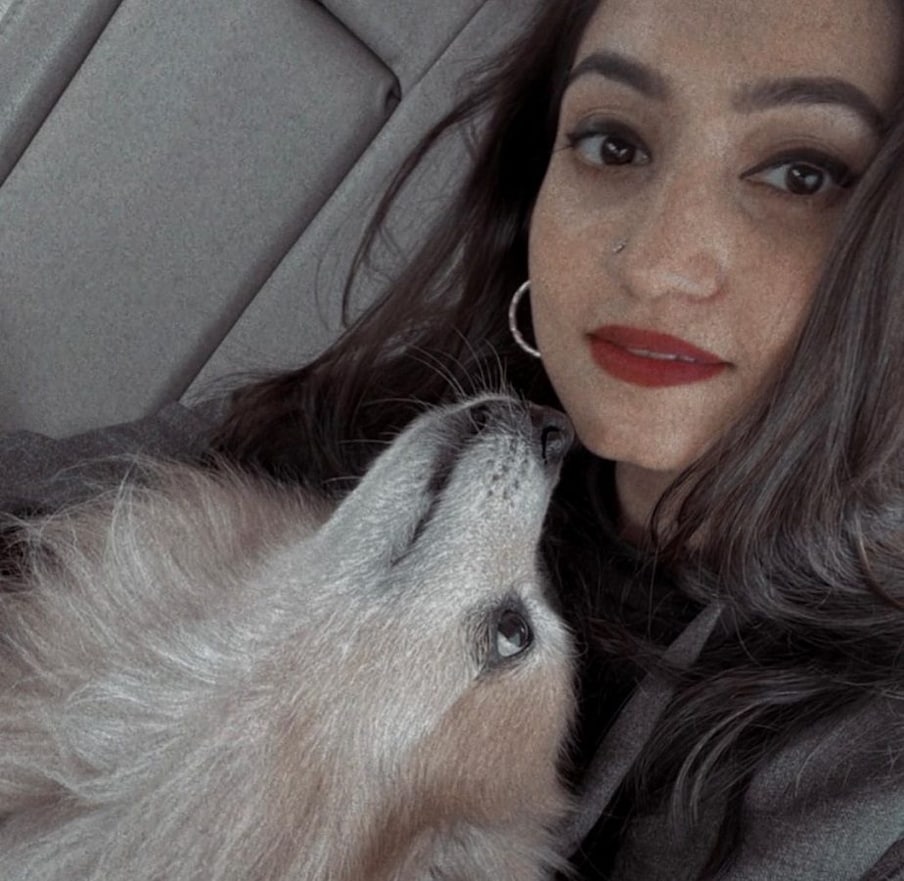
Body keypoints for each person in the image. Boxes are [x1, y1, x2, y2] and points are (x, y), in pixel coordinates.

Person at [4, 0, 904, 878]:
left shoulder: (875, 780)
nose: (654, 261)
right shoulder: (376, 415)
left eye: (803, 174)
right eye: (613, 144)